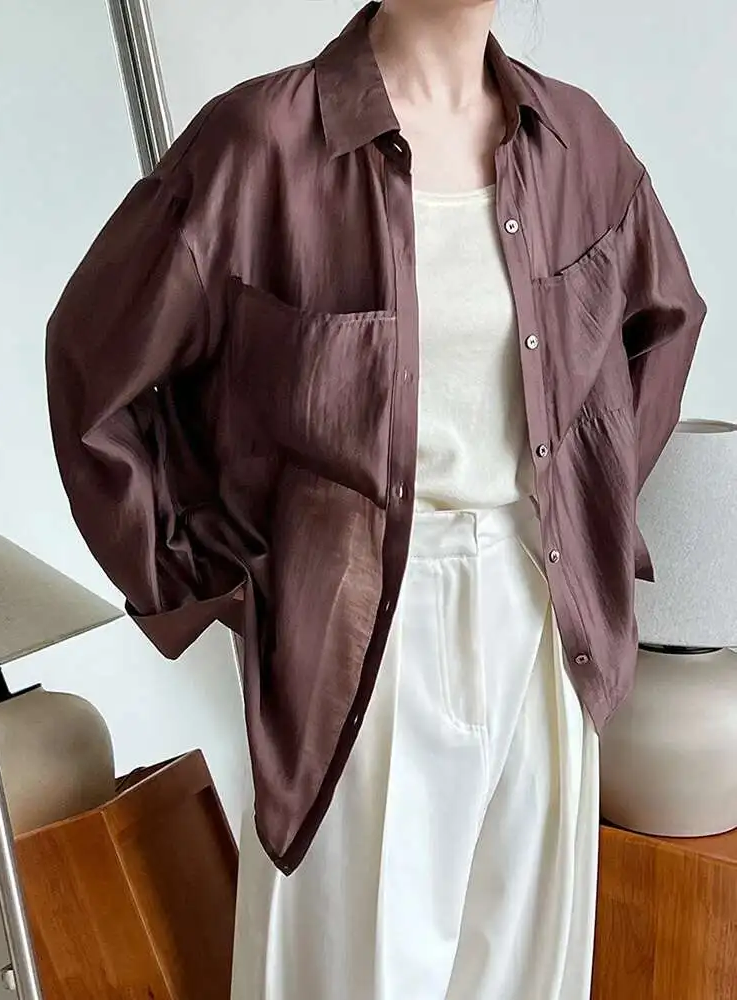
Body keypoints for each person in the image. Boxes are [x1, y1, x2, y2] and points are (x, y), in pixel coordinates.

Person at [45, 2, 706, 998]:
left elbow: (664, 322)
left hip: (541, 621)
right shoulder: (258, 148)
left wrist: (586, 507)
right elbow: (93, 371)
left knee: (524, 976)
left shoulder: (579, 144)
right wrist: (218, 579)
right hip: (355, 631)